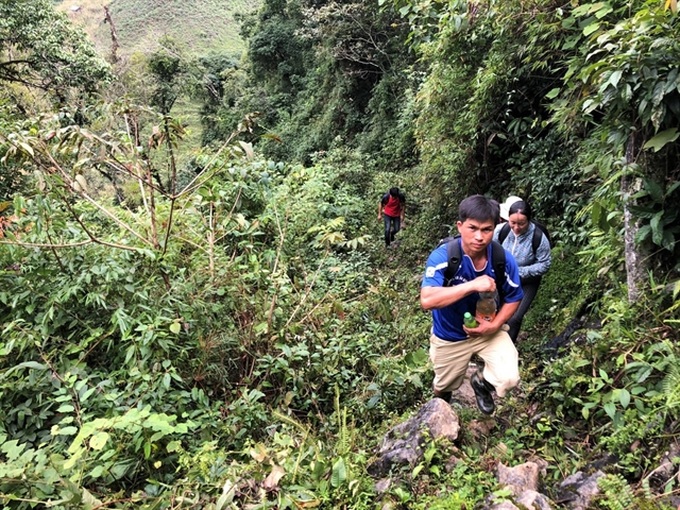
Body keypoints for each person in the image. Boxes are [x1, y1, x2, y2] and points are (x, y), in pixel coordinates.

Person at [420, 195, 524, 415]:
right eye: (472, 228)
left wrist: (494, 325)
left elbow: (514, 297)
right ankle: (441, 411)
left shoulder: (502, 259)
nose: (479, 236)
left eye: (486, 230)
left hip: (488, 328)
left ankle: (481, 383)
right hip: (450, 335)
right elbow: (427, 299)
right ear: (460, 226)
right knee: (443, 385)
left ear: (495, 228)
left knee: (509, 377)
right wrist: (472, 285)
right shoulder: (444, 256)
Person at [494, 197, 551, 342]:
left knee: (514, 318)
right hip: (502, 279)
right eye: (513, 223)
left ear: (529, 221)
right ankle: (491, 345)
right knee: (495, 311)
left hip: (526, 282)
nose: (517, 227)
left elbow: (544, 264)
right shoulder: (501, 231)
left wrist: (520, 272)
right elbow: (490, 250)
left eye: (521, 223)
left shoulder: (538, 237)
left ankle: (508, 348)